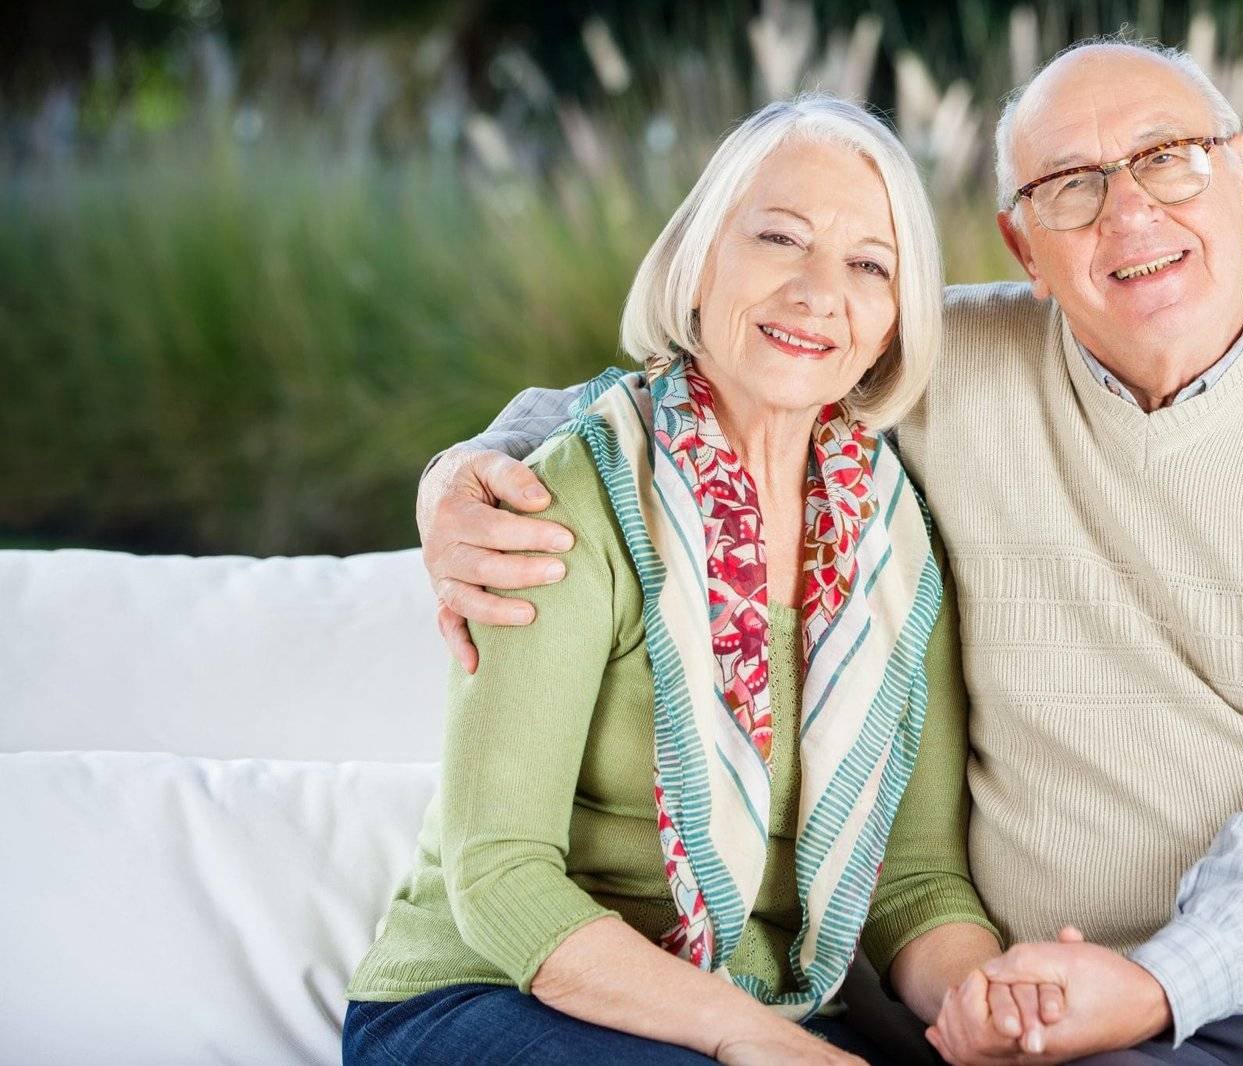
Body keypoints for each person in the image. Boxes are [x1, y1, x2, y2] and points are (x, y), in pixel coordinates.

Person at [413, 40, 1243, 1066]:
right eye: (1070, 186)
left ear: (1242, 178)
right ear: (1022, 244)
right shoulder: (933, 368)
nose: (1129, 212)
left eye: (1168, 157)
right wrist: (466, 473)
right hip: (1078, 1010)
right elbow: (689, 390)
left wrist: (1166, 978)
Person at [343, 95, 1044, 1065]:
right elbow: (498, 873)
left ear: (893, 319)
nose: (817, 291)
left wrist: (995, 1005)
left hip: (764, 1009)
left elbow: (915, 882)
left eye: (869, 265)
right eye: (779, 238)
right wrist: (757, 1044)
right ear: (701, 258)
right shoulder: (572, 493)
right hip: (489, 993)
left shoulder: (897, 543)